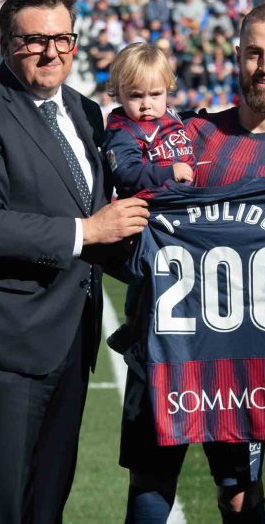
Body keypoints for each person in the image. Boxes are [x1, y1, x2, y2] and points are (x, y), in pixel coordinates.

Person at [120, 3, 265, 524]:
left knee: (239, 495)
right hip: (166, 347)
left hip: (242, 362)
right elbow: (128, 188)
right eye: (253, 52)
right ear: (237, 56)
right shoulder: (190, 135)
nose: (264, 65)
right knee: (150, 484)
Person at [0, 0, 149, 524]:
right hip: (4, 343)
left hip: (71, 341)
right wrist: (86, 231)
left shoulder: (85, 111)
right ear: (6, 44)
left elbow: (107, 222)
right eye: (33, 41)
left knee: (45, 507)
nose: (51, 52)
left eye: (63, 39)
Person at [100, 42, 196, 354]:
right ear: (117, 93)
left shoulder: (174, 119)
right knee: (148, 269)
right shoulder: (121, 132)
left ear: (168, 89)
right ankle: (133, 324)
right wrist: (169, 172)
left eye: (154, 95)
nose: (146, 105)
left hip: (183, 214)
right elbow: (126, 173)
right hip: (148, 216)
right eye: (135, 96)